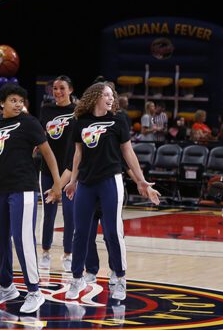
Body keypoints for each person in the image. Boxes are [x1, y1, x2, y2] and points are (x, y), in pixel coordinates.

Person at [64, 82, 161, 302]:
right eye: (106, 95)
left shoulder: (119, 120)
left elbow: (128, 153)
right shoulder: (81, 121)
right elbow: (78, 155)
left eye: (112, 95)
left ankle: (119, 277)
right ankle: (77, 278)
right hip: (86, 184)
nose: (110, 98)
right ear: (95, 97)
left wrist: (141, 180)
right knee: (80, 233)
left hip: (110, 181)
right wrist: (72, 181)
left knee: (112, 232)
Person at [0, 83, 62, 314]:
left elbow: (48, 153)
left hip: (23, 188)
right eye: (13, 100)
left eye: (20, 101)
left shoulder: (29, 123)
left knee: (23, 239)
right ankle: (6, 286)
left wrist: (56, 184)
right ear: (2, 103)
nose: (18, 104)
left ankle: (35, 291)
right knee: (0, 239)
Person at [38, 75, 77, 271]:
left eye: (62, 88)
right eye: (55, 88)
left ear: (70, 90)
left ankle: (68, 254)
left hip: (70, 170)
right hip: (47, 169)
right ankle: (45, 251)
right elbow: (39, 136)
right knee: (49, 212)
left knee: (70, 213)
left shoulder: (78, 112)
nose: (58, 92)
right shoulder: (46, 110)